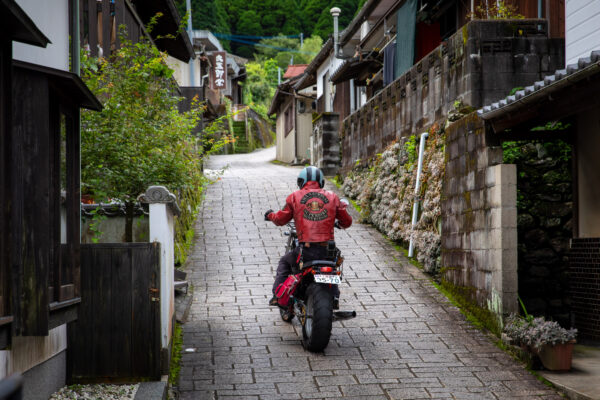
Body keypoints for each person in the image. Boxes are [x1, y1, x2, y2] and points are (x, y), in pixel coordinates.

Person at [264, 166, 352, 308]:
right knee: (332, 268)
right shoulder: (333, 197)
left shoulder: (294, 197)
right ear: (321, 182)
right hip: (327, 250)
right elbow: (347, 222)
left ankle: (277, 296)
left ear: (301, 181)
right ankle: (334, 297)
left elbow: (280, 220)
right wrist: (339, 223)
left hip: (306, 250)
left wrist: (270, 215)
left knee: (285, 262)